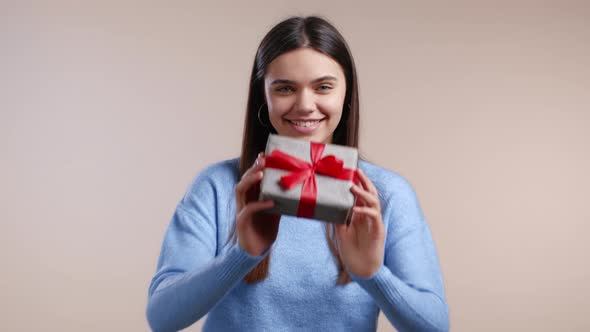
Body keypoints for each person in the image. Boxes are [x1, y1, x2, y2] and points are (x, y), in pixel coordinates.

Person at [146, 16, 449, 332]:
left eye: (323, 87)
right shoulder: (218, 186)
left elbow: (435, 327)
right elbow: (162, 318)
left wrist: (372, 275)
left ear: (347, 94)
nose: (305, 105)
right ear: (264, 95)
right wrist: (241, 255)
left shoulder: (385, 194)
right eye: (285, 88)